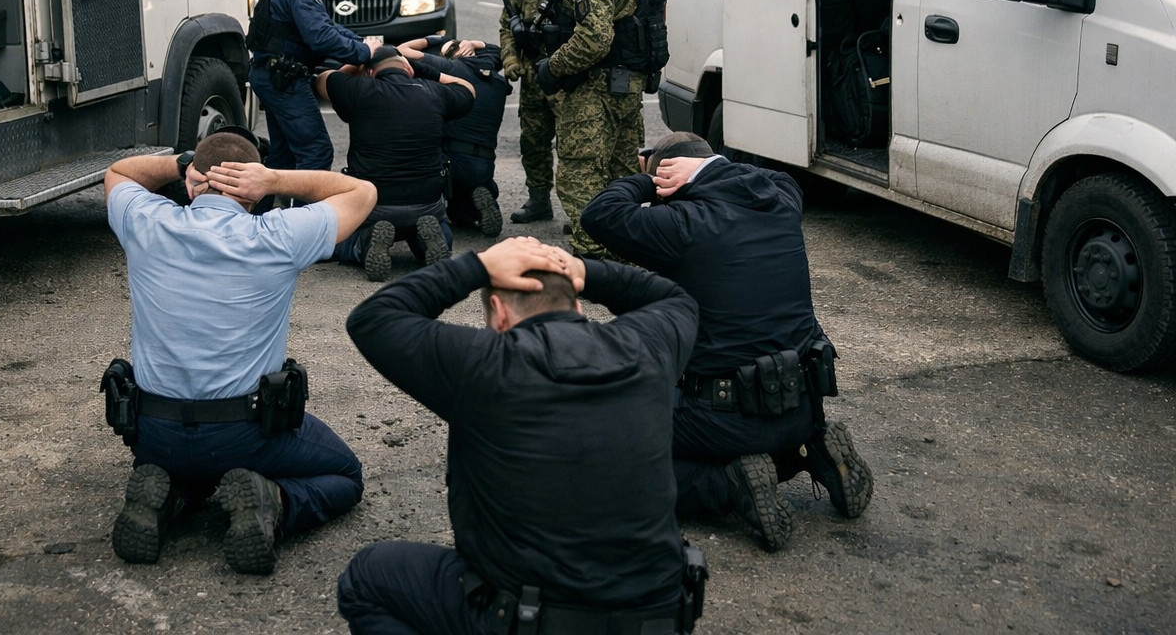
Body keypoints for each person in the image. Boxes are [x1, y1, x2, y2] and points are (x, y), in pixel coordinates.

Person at [337, 237, 705, 634]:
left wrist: (477, 266)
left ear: (498, 313)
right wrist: (584, 270)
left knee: (366, 578)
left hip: (536, 620)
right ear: (578, 306)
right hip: (658, 618)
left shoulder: (486, 365)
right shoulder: (647, 347)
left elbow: (373, 318)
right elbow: (675, 298)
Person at [580, 131, 874, 552]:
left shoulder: (680, 225)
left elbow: (599, 213)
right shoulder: (780, 204)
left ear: (670, 183)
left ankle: (728, 484)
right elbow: (781, 177)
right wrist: (709, 166)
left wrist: (649, 179)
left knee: (602, 453)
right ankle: (809, 452)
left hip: (724, 419)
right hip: (803, 406)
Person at [103, 127, 378, 573]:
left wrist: (181, 165)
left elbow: (118, 172)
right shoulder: (278, 235)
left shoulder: (145, 221)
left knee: (186, 464)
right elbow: (362, 192)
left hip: (154, 432)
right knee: (345, 475)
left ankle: (171, 493)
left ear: (194, 184)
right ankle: (276, 502)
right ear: (252, 191)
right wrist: (274, 179)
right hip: (243, 435)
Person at [532, 0, 645, 257]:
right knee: (622, 172)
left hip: (595, 87)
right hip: (629, 83)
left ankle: (594, 254)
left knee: (580, 173)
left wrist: (553, 67)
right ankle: (626, 251)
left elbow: (595, 38)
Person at [315, 44, 475, 282]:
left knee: (343, 240)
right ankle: (429, 241)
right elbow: (468, 90)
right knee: (435, 227)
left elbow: (322, 80)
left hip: (373, 204)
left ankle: (366, 242)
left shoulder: (358, 90)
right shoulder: (434, 92)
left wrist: (358, 61)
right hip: (426, 202)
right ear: (408, 69)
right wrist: (426, 70)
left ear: (370, 73)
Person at [247, 0, 381, 171]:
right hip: (284, 79)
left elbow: (325, 25)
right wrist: (363, 52)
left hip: (273, 74)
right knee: (316, 152)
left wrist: (360, 42)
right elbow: (321, 37)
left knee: (284, 156)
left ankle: (271, 196)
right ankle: (306, 199)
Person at [400, 37, 510, 238]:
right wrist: (476, 44)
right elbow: (500, 52)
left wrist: (434, 39)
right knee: (465, 203)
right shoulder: (495, 77)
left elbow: (402, 50)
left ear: (455, 55)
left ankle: (431, 212)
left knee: (448, 202)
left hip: (451, 162)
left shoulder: (452, 68)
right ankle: (483, 201)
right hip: (484, 164)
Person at [498, 0, 567, 226]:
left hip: (563, 77)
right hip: (531, 77)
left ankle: (579, 207)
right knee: (533, 143)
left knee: (572, 146)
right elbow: (506, 26)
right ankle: (539, 200)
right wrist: (510, 59)